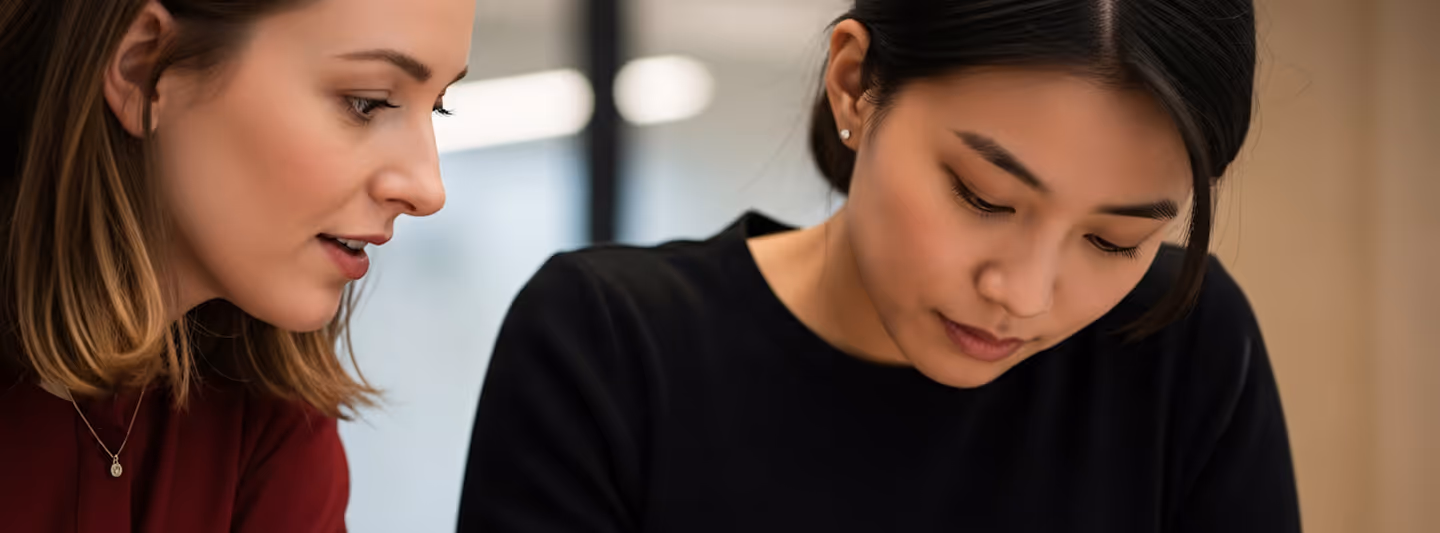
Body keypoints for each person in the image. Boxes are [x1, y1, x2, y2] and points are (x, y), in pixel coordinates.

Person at [457, 0, 1302, 531]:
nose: (1024, 294)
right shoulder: (608, 342)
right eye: (981, 196)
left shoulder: (1180, 345)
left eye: (1114, 241)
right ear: (855, 82)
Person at [0, 0, 470, 530]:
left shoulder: (268, 408)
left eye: (438, 108)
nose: (429, 191)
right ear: (143, 66)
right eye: (367, 102)